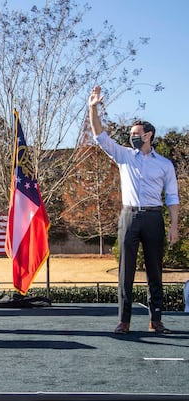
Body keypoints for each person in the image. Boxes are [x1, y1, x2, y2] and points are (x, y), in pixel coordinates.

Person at [88, 86, 179, 334]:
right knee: (125, 271)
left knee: (155, 272)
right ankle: (123, 321)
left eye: (136, 133)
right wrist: (92, 107)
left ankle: (156, 320)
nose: (132, 136)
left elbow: (172, 197)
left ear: (149, 135)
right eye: (131, 133)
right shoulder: (124, 156)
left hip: (153, 218)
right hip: (129, 217)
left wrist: (173, 226)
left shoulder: (165, 165)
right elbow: (100, 136)